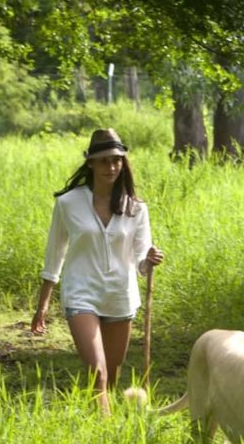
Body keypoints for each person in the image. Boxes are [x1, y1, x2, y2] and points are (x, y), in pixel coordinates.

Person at [30, 128, 164, 415]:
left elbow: (140, 259)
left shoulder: (136, 208)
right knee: (98, 373)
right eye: (103, 160)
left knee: (111, 378)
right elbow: (54, 255)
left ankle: (100, 423)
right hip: (81, 295)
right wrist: (42, 306)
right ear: (90, 163)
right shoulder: (68, 203)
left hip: (120, 296)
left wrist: (149, 260)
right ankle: (104, 433)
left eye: (116, 160)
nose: (111, 166)